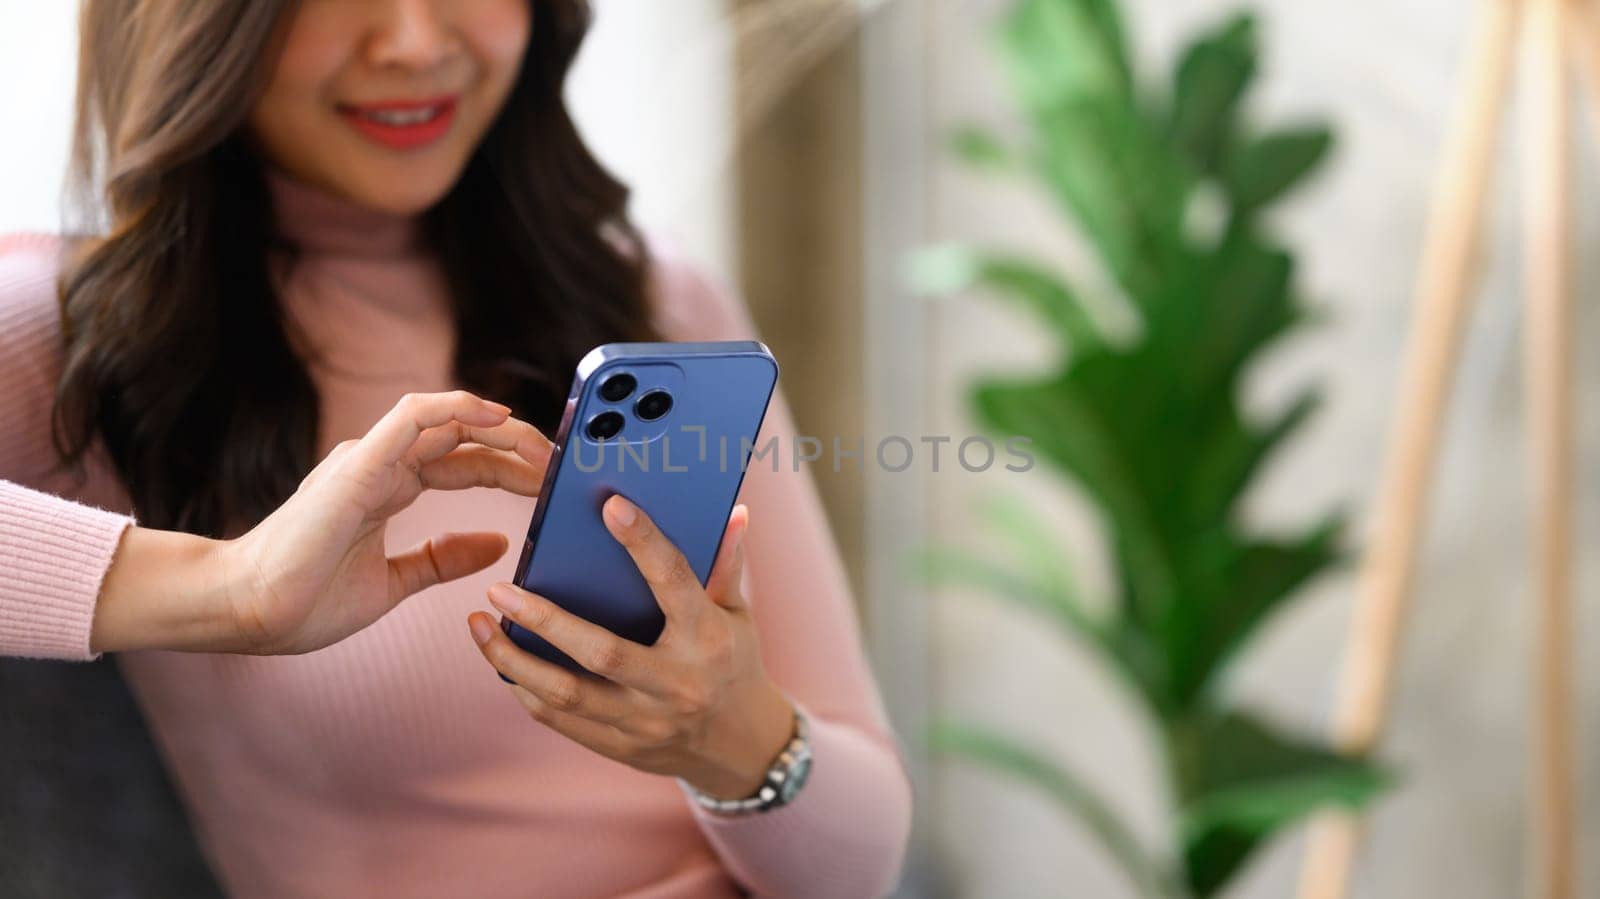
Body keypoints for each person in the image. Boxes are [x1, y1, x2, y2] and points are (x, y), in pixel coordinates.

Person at [0, 1, 912, 896]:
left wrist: (733, 737)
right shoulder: (91, 333)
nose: (415, 41)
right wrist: (231, 589)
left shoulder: (654, 302)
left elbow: (865, 864)